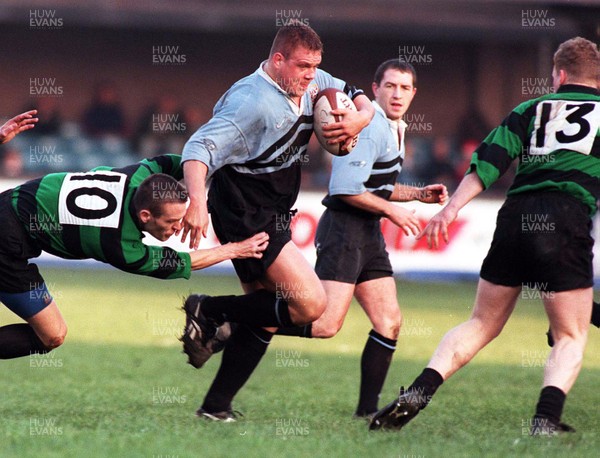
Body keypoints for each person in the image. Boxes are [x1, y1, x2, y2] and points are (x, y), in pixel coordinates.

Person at [369, 37, 600, 436]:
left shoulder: (529, 109)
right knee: (569, 333)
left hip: (514, 217)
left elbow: (488, 163)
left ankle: (419, 392)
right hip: (566, 218)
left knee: (481, 323)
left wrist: (450, 208)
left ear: (559, 75)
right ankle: (545, 420)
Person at [179, 24, 374, 421]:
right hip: (244, 209)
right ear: (277, 60)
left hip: (274, 205)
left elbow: (356, 96)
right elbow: (197, 148)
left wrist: (360, 120)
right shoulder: (251, 103)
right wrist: (196, 201)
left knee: (265, 313)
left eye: (315, 66)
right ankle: (210, 310)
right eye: (302, 66)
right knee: (310, 304)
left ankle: (215, 407)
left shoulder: (313, 79)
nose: (310, 75)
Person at [276, 60, 447, 419]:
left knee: (389, 321)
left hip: (367, 232)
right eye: (390, 86)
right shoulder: (370, 129)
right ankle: (239, 321)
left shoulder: (397, 128)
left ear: (413, 93)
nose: (397, 94)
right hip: (344, 228)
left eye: (404, 88)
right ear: (375, 89)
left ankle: (366, 412)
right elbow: (343, 190)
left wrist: (416, 196)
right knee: (324, 325)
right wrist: (392, 212)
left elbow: (377, 187)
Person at [0, 154, 269, 360]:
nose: (178, 226)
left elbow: (189, 160)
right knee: (52, 335)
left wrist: (207, 190)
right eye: (172, 221)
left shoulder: (143, 173)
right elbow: (186, 262)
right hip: (6, 241)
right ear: (145, 216)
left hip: (8, 205)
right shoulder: (122, 246)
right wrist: (236, 249)